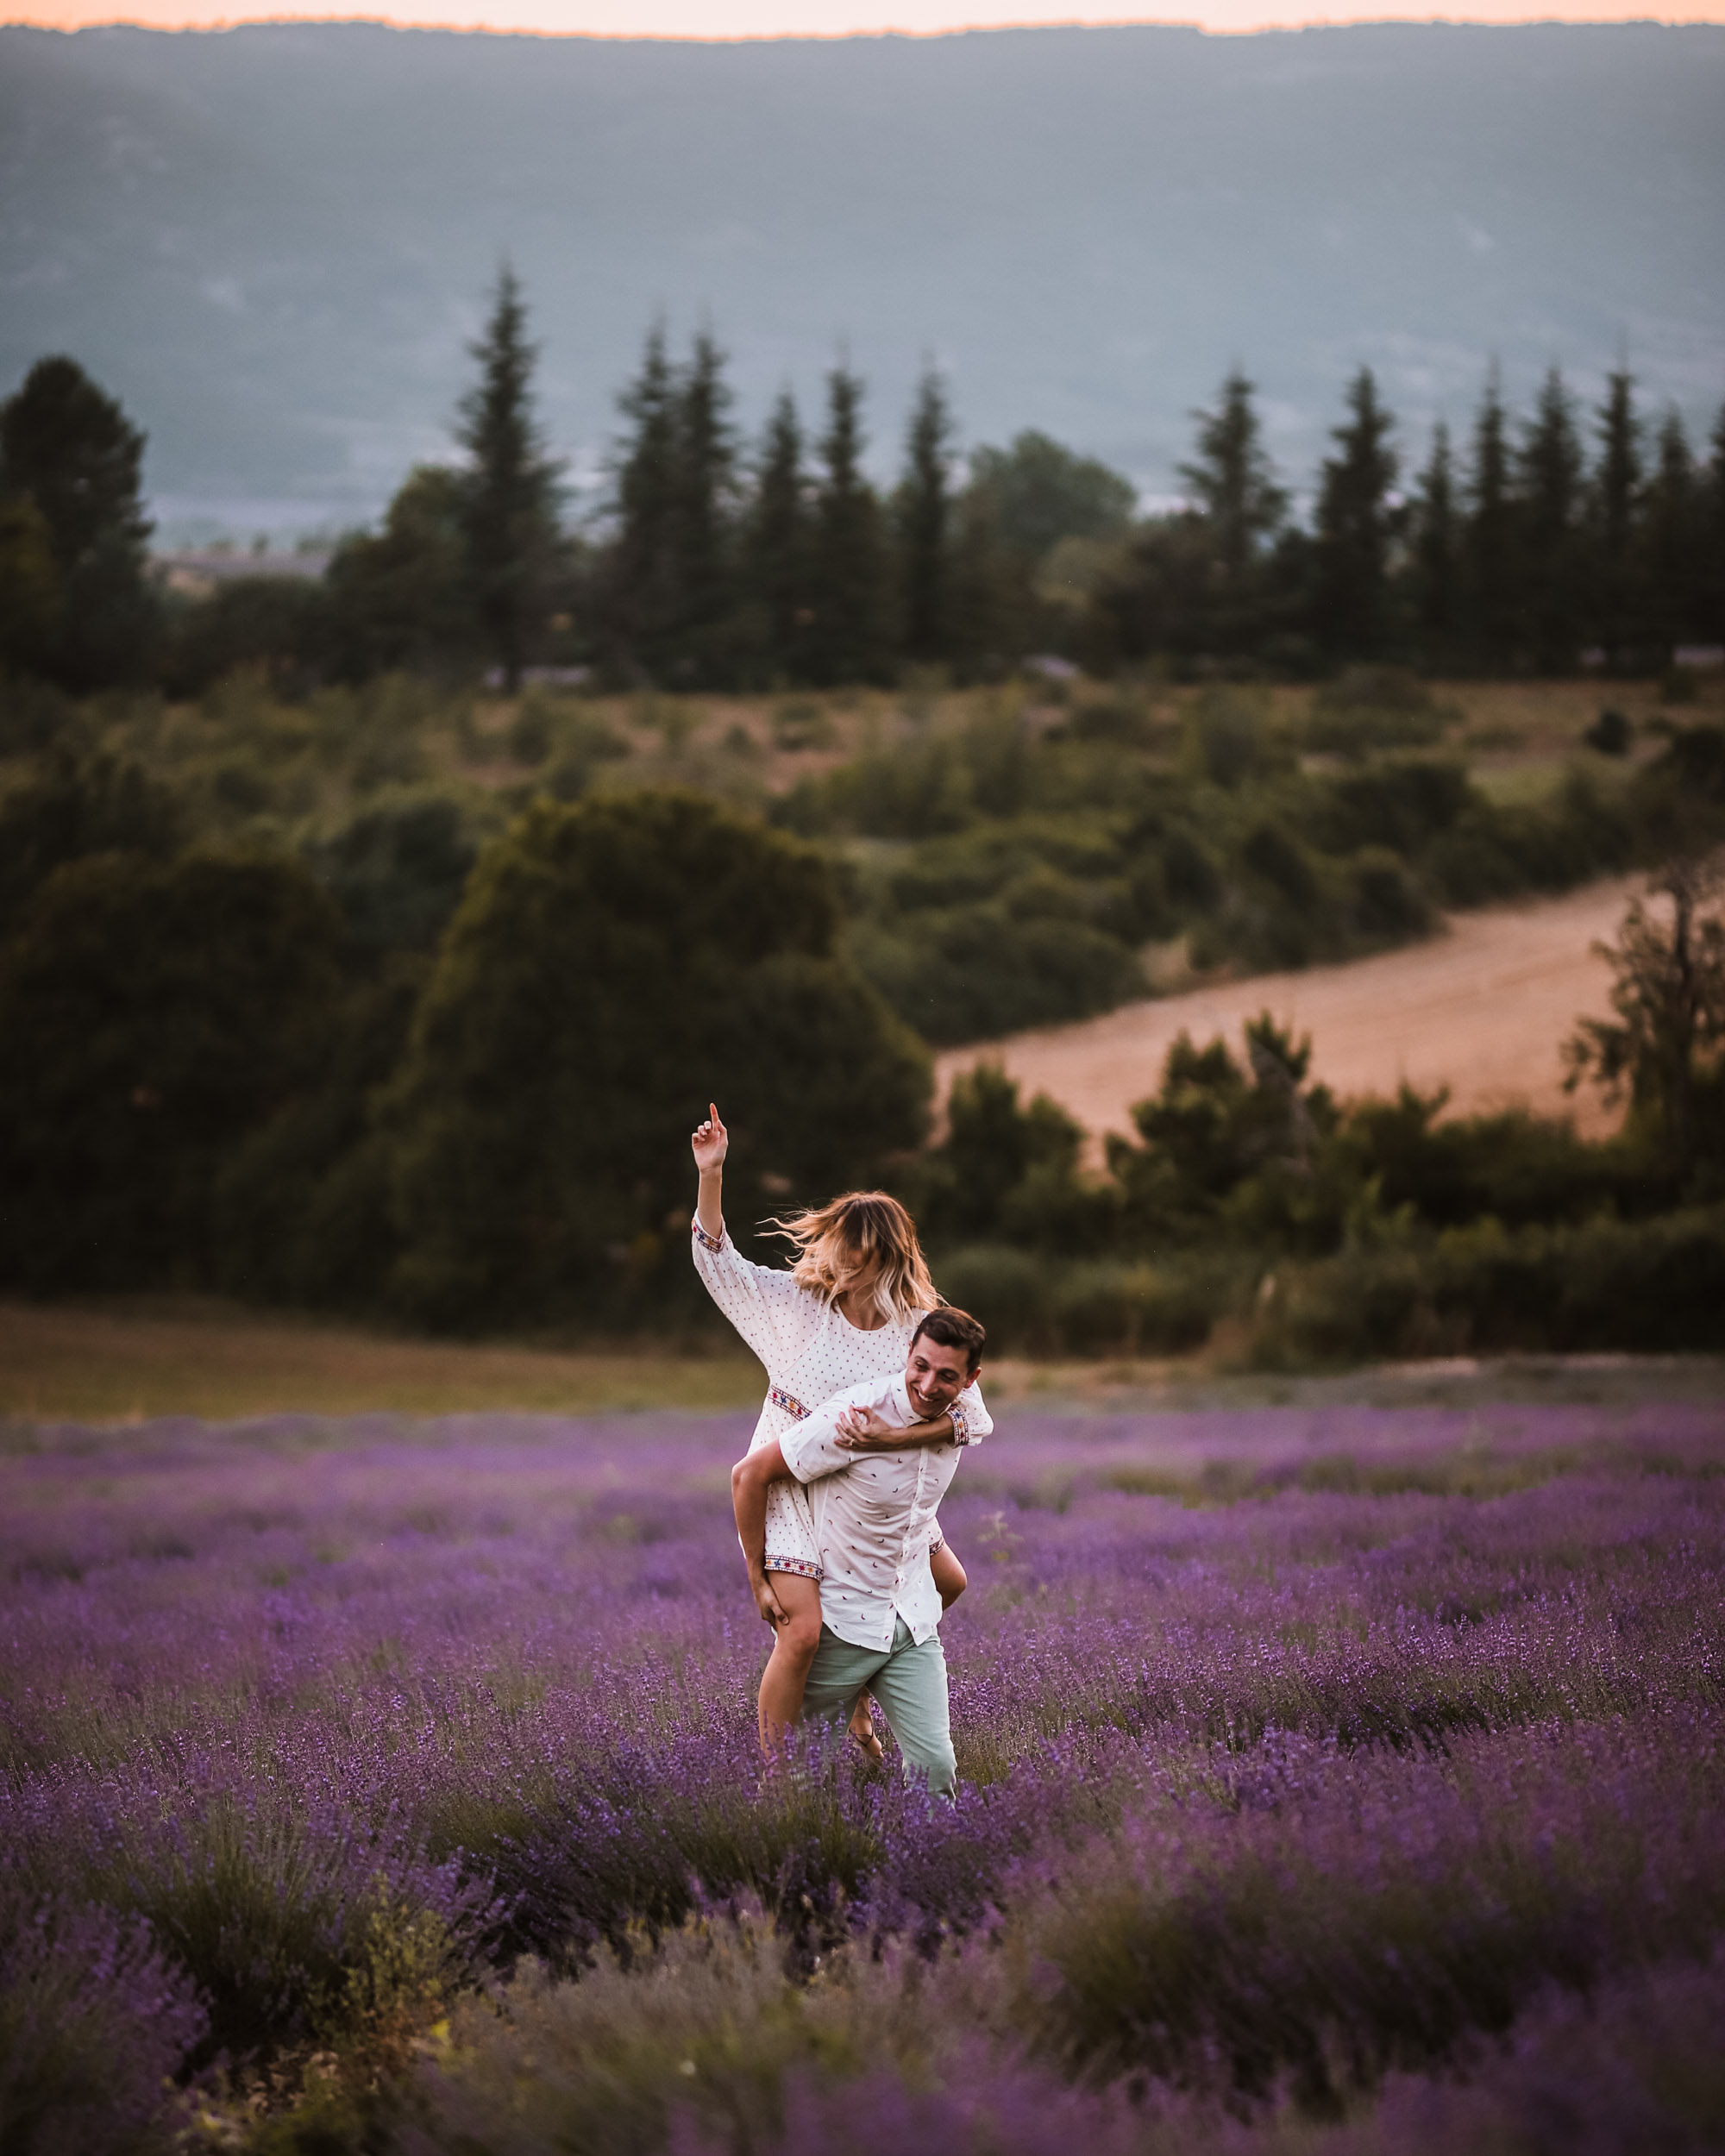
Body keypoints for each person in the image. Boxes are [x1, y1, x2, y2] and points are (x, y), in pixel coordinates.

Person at [691, 1103, 988, 1759]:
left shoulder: (916, 1322)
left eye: (865, 1259)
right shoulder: (796, 1307)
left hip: (872, 1489)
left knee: (948, 1585)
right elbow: (721, 1266)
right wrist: (712, 1174)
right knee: (802, 1633)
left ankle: (859, 1698)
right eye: (844, 1255)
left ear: (890, 1257)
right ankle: (776, 1785)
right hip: (792, 1486)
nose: (849, 1271)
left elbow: (966, 1416)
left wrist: (890, 1443)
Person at [730, 1307, 988, 1800]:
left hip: (910, 1621)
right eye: (920, 1366)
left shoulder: (963, 1416)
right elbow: (748, 1475)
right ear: (907, 1355)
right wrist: (758, 1578)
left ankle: (930, 1867)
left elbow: (979, 1425)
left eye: (948, 1376)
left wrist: (894, 1439)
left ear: (971, 1380)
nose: (929, 1385)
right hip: (842, 1625)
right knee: (796, 1786)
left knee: (936, 1770)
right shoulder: (854, 1418)